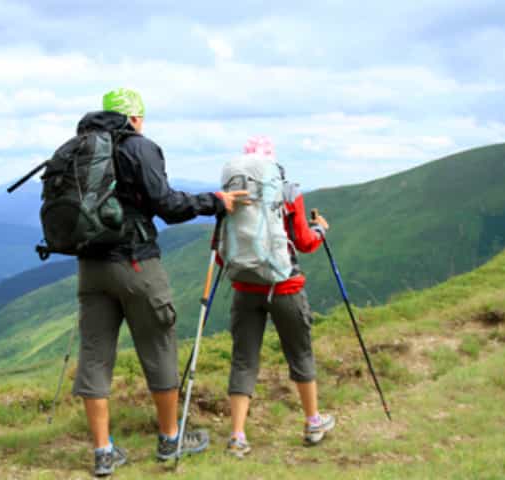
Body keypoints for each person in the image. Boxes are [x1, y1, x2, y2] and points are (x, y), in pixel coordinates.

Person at [72, 88, 248, 476]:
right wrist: (215, 202)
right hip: (135, 264)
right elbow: (166, 205)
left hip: (90, 266)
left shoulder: (80, 149)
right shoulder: (140, 148)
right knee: (158, 344)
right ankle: (170, 438)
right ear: (134, 117)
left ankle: (103, 452)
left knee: (96, 355)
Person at [222, 135, 335, 458]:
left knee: (244, 359)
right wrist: (321, 230)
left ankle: (237, 437)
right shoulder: (286, 190)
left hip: (245, 288)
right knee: (300, 353)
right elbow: (303, 240)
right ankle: (313, 423)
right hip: (285, 286)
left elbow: (221, 247)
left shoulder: (234, 190)